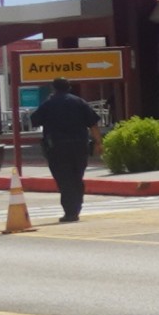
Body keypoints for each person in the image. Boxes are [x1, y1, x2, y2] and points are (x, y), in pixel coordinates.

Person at [32, 80, 105, 223]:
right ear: (69, 88)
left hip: (57, 148)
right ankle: (75, 208)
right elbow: (93, 124)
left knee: (64, 179)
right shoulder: (79, 102)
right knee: (77, 177)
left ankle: (70, 211)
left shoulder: (49, 104)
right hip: (79, 147)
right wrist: (98, 143)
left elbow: (34, 120)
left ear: (53, 88)